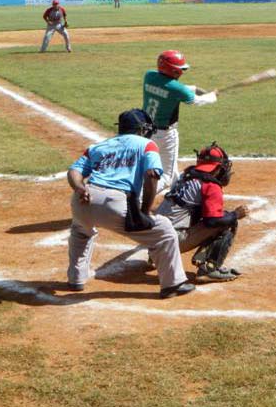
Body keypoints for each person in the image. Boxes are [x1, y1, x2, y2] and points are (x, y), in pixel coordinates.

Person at [66, 108, 194, 299]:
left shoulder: (98, 146)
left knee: (81, 230)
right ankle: (172, 284)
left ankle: (76, 279)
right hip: (114, 203)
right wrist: (145, 212)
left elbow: (74, 172)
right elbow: (152, 175)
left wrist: (79, 188)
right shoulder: (147, 145)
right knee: (164, 231)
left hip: (83, 199)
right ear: (141, 129)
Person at [155, 142, 249, 282]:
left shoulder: (184, 176)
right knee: (227, 220)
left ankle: (153, 258)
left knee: (186, 213)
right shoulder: (210, 185)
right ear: (217, 168)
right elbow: (212, 221)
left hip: (152, 239)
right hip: (170, 242)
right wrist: (235, 214)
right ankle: (209, 269)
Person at [142, 50, 218, 193]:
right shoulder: (176, 89)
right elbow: (197, 101)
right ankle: (139, 198)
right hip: (165, 136)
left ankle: (173, 199)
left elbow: (172, 87)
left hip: (144, 131)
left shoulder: (149, 76)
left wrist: (195, 88)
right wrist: (213, 95)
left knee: (170, 171)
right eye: (179, 69)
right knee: (167, 177)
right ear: (173, 70)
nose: (181, 72)